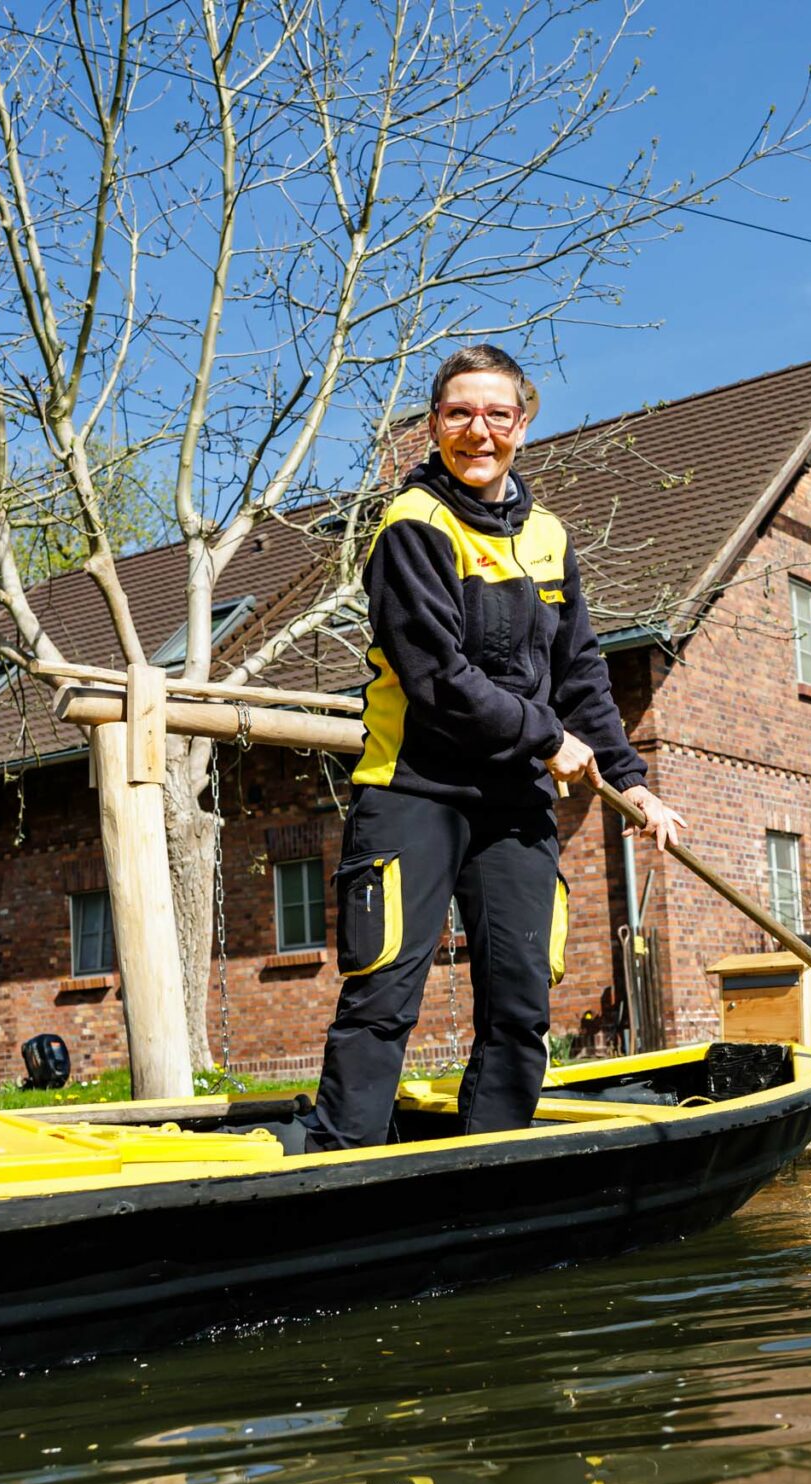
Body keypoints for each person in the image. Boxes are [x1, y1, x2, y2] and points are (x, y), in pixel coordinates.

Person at [303, 344, 685, 1152]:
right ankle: (340, 1171)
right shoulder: (413, 527)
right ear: (434, 426)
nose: (478, 431)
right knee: (383, 997)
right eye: (458, 414)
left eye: (497, 415)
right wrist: (548, 739)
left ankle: (493, 1166)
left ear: (524, 423)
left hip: (515, 803)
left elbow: (580, 672)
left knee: (520, 1001)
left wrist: (630, 779)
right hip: (413, 788)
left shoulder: (549, 537)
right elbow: (439, 680)